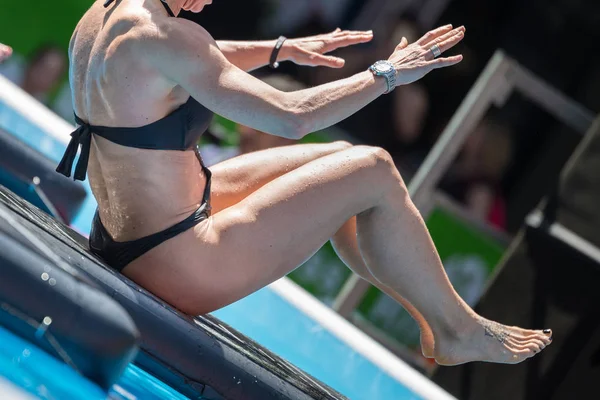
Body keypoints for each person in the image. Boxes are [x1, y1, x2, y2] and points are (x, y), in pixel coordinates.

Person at [57, 0, 551, 366]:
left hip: (129, 232)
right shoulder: (173, 39)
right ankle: (457, 328)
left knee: (341, 160)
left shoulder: (104, 18)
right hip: (179, 261)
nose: (210, 3)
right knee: (373, 168)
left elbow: (190, 59)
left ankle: (434, 320)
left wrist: (279, 49)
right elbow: (292, 116)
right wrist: (388, 74)